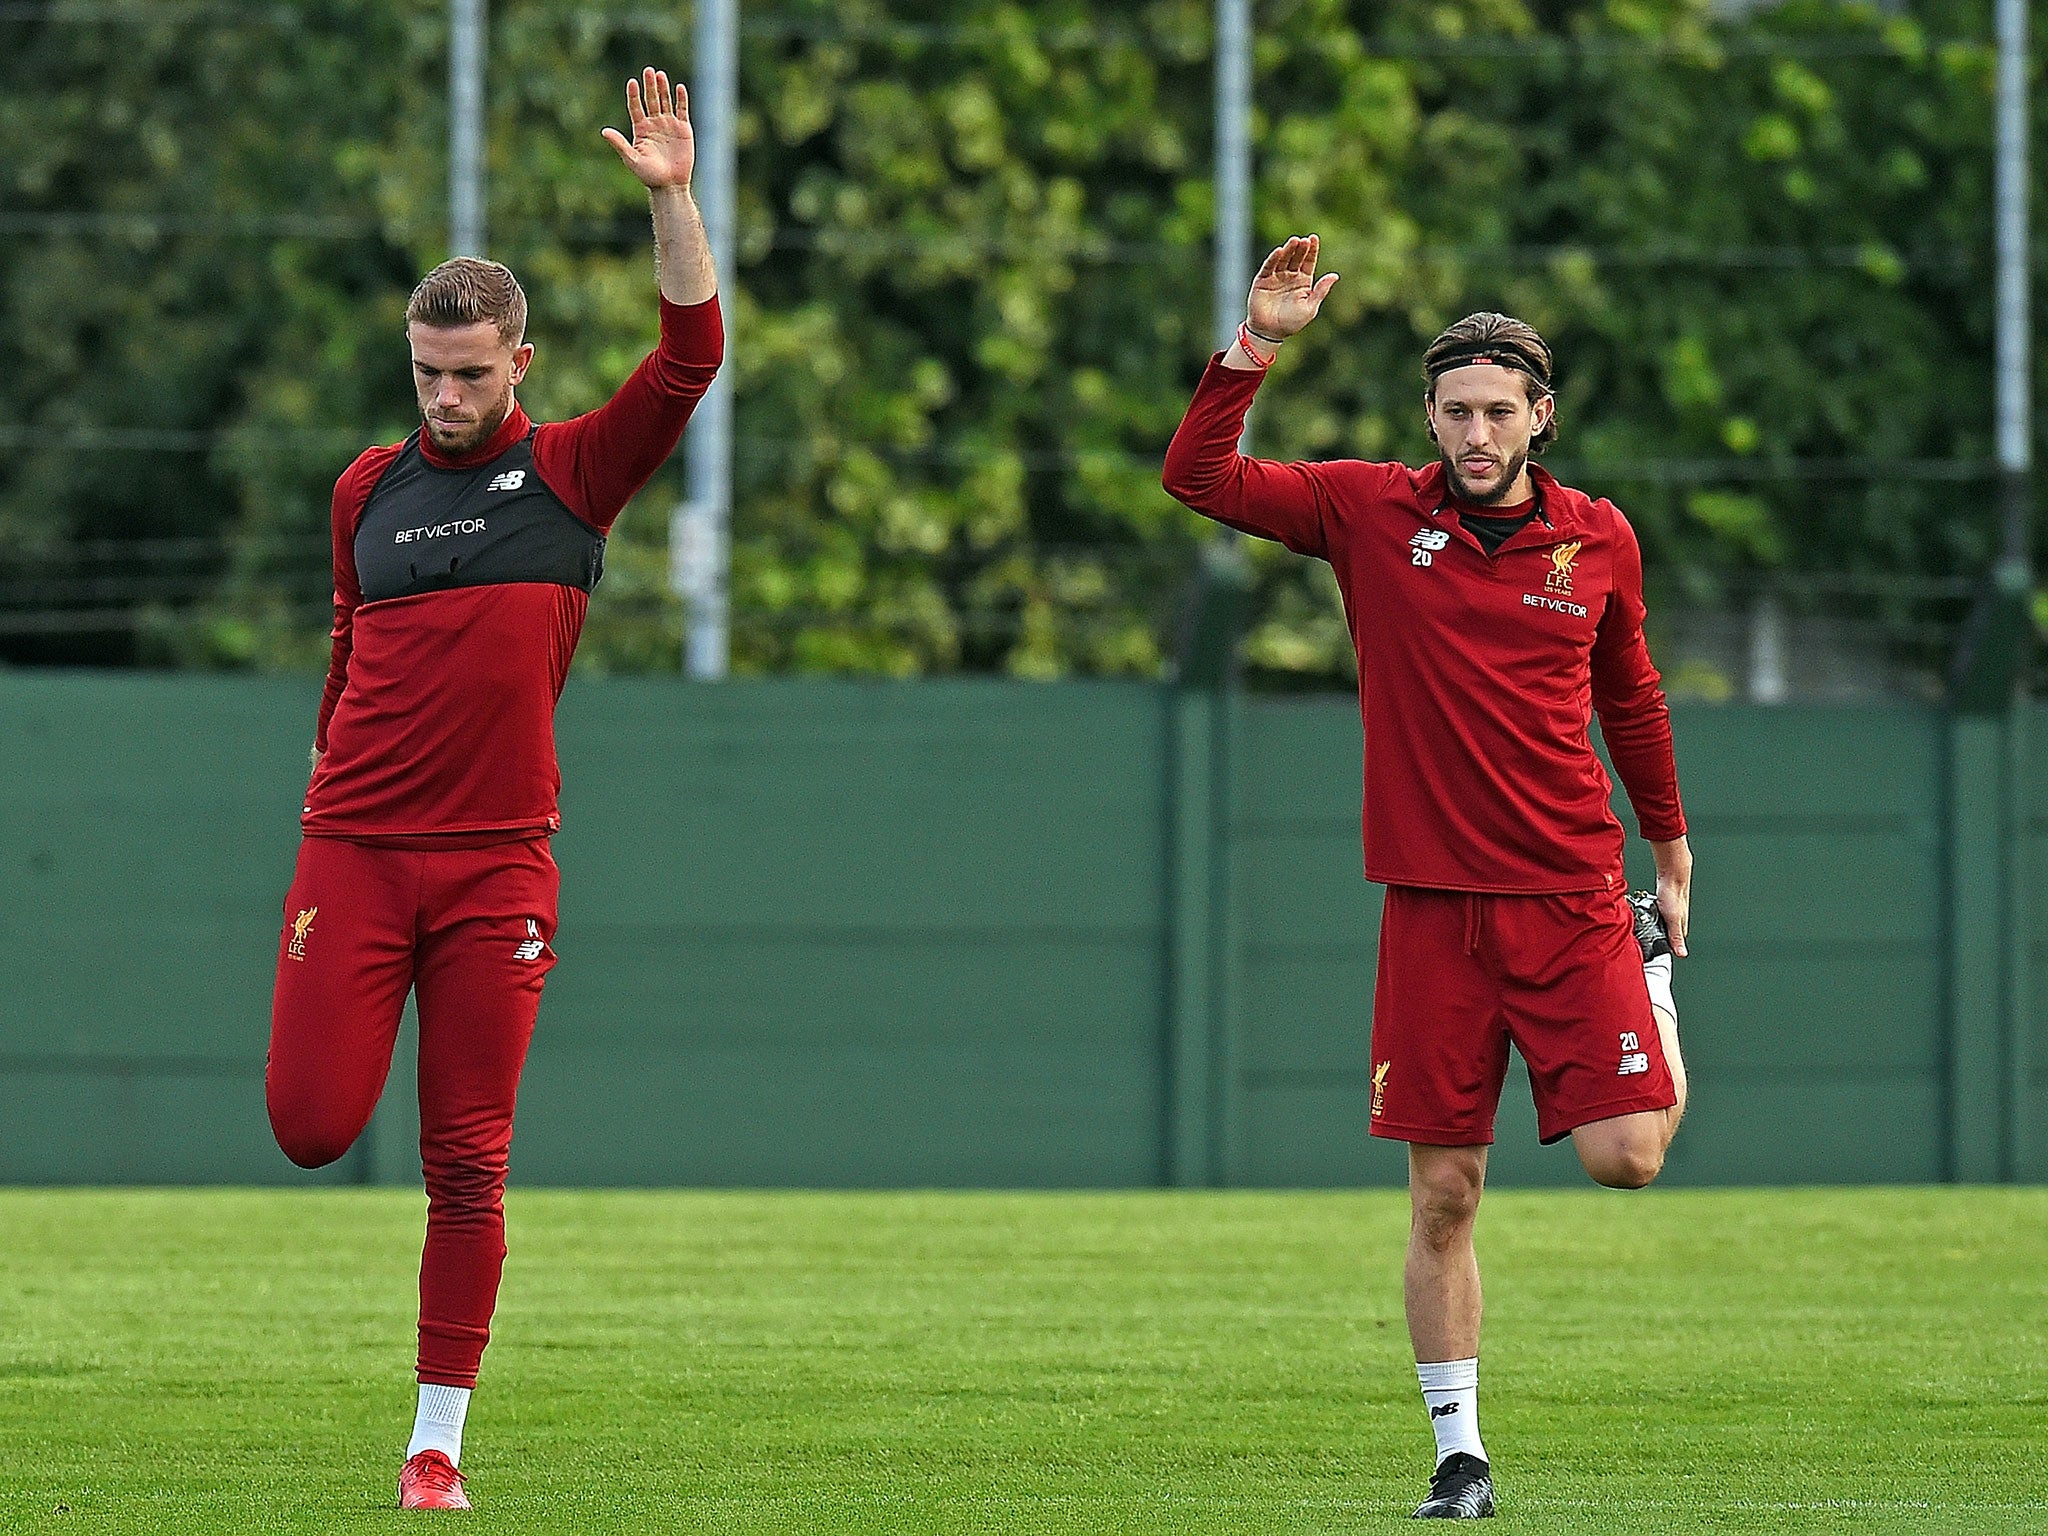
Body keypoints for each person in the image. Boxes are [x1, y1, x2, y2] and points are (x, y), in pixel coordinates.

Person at [1162, 236, 1691, 1520]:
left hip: (1571, 898)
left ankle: (1653, 977)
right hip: (1430, 913)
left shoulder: (1596, 540)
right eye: (1454, 411)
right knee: (1443, 1190)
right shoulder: (1364, 509)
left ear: (1539, 418)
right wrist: (1256, 344)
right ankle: (1459, 1455)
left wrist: (1668, 845)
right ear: (1430, 417)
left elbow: (1628, 693)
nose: (1474, 431)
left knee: (1625, 1160)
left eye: (1497, 411)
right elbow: (1198, 476)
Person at [264, 68, 721, 1512]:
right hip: (353, 848)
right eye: (426, 372)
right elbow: (345, 649)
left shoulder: (576, 477)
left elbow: (692, 357)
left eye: (472, 373)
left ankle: (435, 1445)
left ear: (521, 362)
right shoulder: (364, 492)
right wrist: (327, 802)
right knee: (310, 1126)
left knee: (467, 1162)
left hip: (497, 869)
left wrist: (672, 198)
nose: (447, 397)